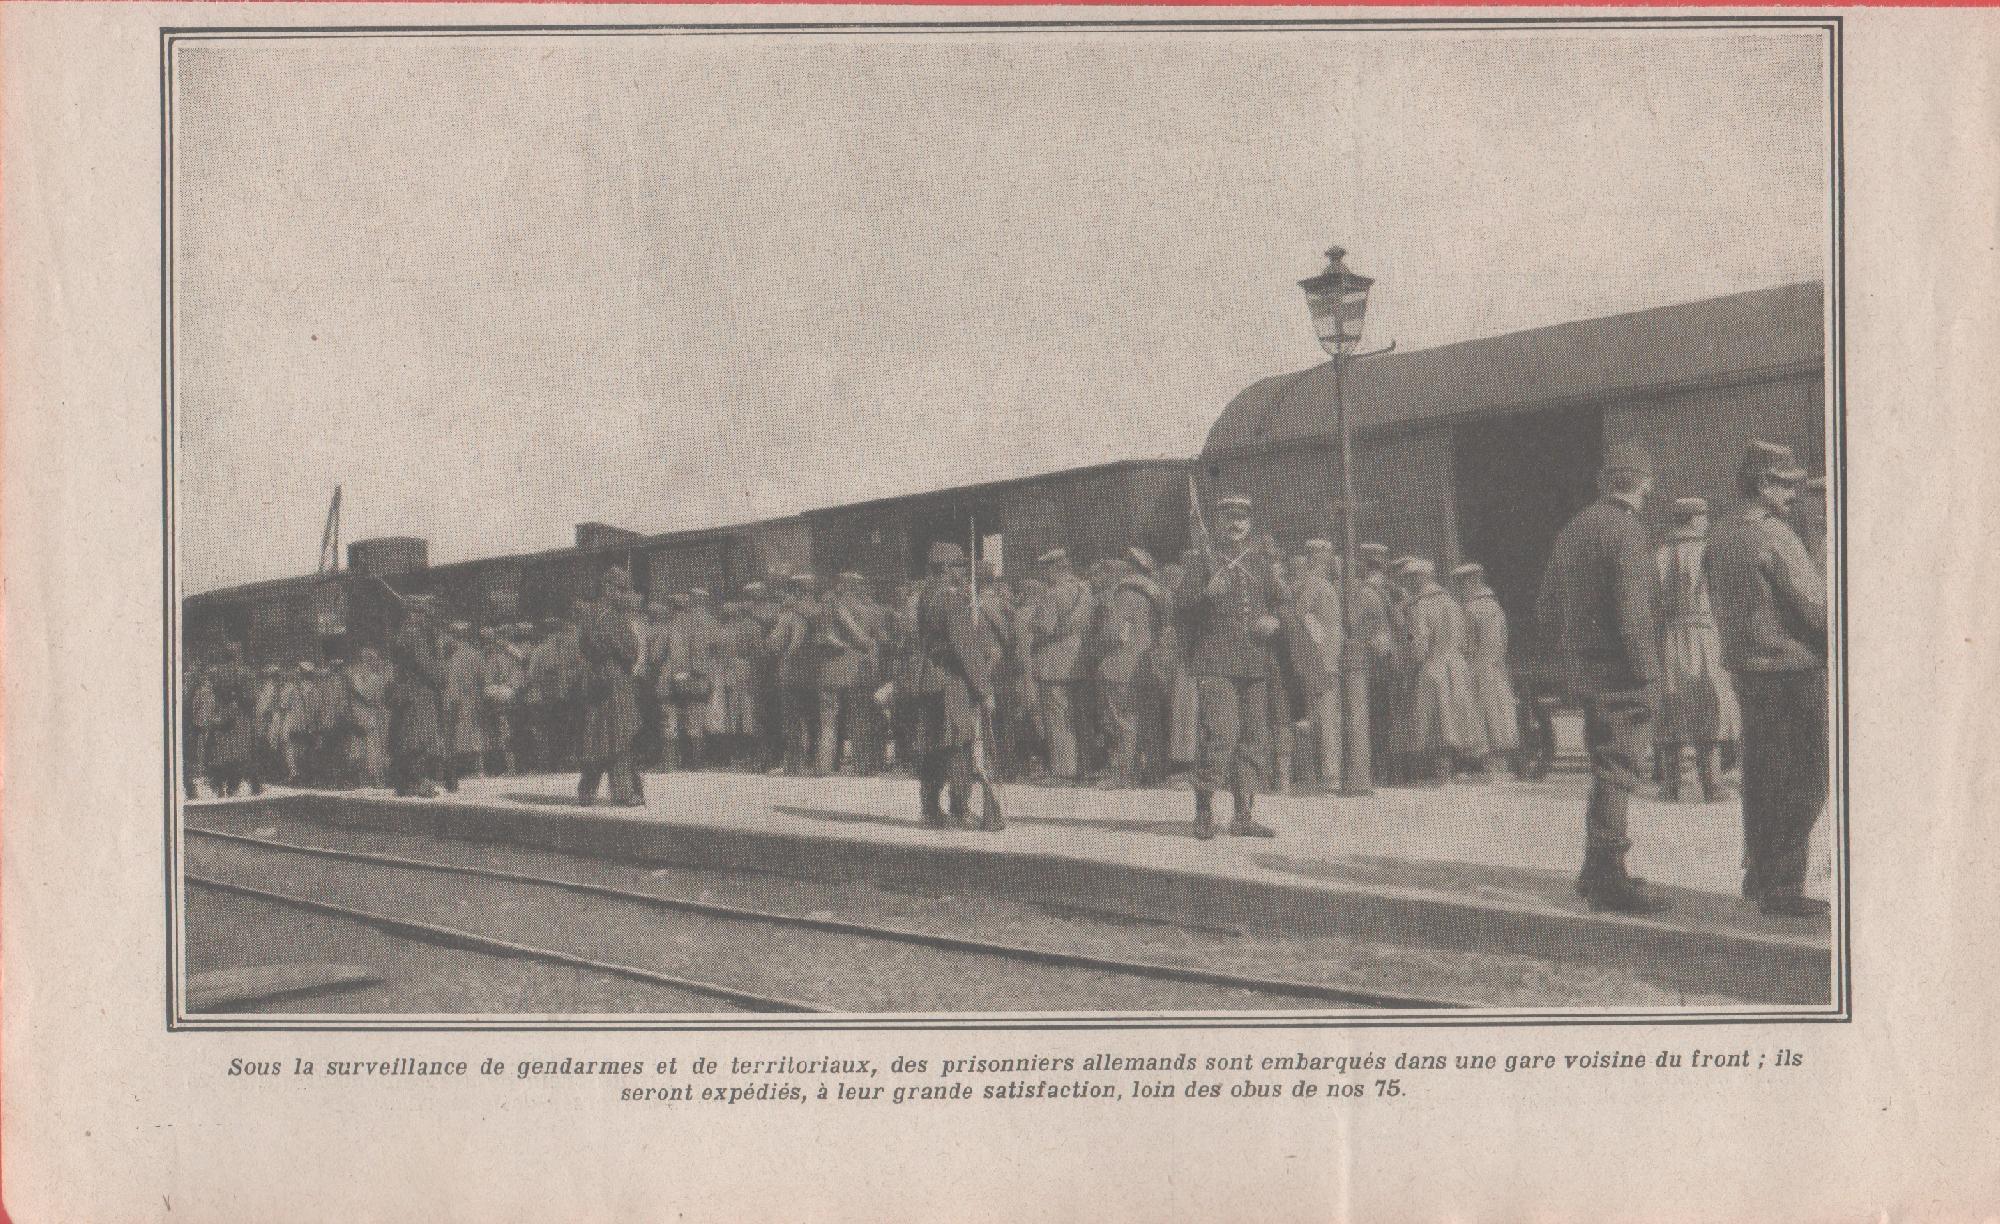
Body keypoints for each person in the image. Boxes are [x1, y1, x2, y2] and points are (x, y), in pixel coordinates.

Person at [1537, 444, 1669, 913]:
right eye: (1648, 482)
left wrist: (1570, 658)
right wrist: (1648, 675)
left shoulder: (1574, 528)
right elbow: (1634, 613)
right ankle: (1610, 878)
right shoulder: (1628, 531)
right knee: (1618, 769)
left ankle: (1594, 870)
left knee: (1603, 766)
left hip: (1587, 671)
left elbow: (1547, 605)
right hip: (1623, 671)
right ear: (1641, 483)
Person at [1706, 441, 1829, 918]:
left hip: (1746, 670)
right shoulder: (1776, 536)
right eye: (1786, 485)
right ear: (1762, 484)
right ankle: (1783, 885)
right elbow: (1816, 610)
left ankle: (1758, 875)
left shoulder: (1721, 535)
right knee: (1807, 776)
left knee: (1761, 775)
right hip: (1792, 670)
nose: (1795, 495)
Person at [1176, 495, 1287, 839]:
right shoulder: (1201, 560)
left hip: (1255, 662)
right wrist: (1205, 595)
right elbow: (1180, 610)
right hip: (1216, 662)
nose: (1236, 523)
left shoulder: (1260, 562)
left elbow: (1282, 602)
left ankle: (1243, 816)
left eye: (1242, 518)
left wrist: (1275, 619)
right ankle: (1204, 810)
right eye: (1229, 517)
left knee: (1253, 739)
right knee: (1221, 735)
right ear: (1217, 522)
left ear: (1250, 523)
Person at [906, 542, 1001, 831]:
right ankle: (960, 810)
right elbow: (966, 650)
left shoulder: (925, 596)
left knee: (932, 746)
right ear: (946, 568)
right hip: (951, 681)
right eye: (959, 566)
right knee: (959, 744)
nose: (962, 572)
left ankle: (930, 810)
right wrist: (984, 690)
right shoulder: (952, 599)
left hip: (927, 680)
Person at [1655, 497, 1741, 803]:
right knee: (1710, 701)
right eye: (1703, 517)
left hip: (1671, 635)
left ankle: (1671, 786)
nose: (1706, 522)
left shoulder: (1660, 554)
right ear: (1694, 519)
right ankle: (1712, 784)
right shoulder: (1709, 551)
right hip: (1705, 634)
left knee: (1672, 701)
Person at [1394, 558, 1484, 785]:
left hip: (1433, 667)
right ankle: (1459, 767)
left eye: (1410, 578)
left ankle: (1439, 770)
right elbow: (1464, 639)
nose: (1408, 583)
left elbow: (1418, 644)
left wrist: (1408, 656)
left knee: (1434, 720)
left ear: (1420, 578)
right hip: (1456, 665)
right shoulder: (1451, 602)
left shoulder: (1420, 606)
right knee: (1456, 716)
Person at [576, 566, 643, 806]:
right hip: (615, 681)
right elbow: (630, 651)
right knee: (620, 735)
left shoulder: (589, 614)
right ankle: (624, 792)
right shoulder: (614, 617)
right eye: (621, 589)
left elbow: (584, 646)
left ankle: (587, 791)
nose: (624, 594)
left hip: (595, 680)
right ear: (608, 588)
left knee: (597, 735)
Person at [1028, 548, 1094, 784]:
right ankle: (1084, 766)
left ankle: (1063, 771)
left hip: (1054, 663)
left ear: (1054, 569)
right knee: (1077, 717)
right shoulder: (1085, 590)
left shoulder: (1052, 594)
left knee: (1057, 719)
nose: (1044, 575)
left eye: (1045, 570)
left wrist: (1032, 628)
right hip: (1079, 661)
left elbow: (1043, 628)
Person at [1453, 562, 1520, 780]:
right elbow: (1502, 640)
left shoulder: (1471, 608)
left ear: (1472, 582)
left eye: (1463, 584)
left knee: (1481, 713)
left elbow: (1467, 643)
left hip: (1478, 667)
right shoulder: (1494, 607)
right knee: (1497, 712)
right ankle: (1498, 764)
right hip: (1495, 666)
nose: (1461, 588)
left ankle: (1488, 766)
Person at [1092, 557, 1155, 788]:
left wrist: (1098, 647)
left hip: (1121, 665)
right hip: (1146, 664)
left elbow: (1114, 632)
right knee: (1140, 719)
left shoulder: (1124, 596)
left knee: (1121, 720)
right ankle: (1142, 771)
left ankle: (1123, 774)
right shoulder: (1152, 594)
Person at [1292, 540, 1346, 793]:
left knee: (1326, 716)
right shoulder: (1315, 583)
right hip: (1322, 661)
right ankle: (1329, 775)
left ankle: (1327, 773)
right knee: (1325, 717)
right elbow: (1300, 614)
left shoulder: (1320, 583)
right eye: (1328, 555)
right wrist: (1319, 641)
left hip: (1326, 659)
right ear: (1320, 557)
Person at [386, 595, 449, 797]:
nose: (423, 617)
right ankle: (418, 782)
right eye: (421, 612)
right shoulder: (414, 636)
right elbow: (426, 666)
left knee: (408, 737)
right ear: (413, 614)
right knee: (421, 738)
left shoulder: (403, 634)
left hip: (407, 693)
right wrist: (441, 672)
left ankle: (407, 783)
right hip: (418, 693)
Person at [1353, 542, 1399, 785]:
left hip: (1382, 660)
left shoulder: (1380, 594)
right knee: (1377, 717)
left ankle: (1384, 770)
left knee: (1382, 716)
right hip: (1374, 662)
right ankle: (1379, 771)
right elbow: (1366, 630)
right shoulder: (1369, 594)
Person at [205, 643, 261, 797]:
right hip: (239, 716)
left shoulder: (214, 673)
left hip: (221, 714)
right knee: (240, 753)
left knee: (221, 752)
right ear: (236, 656)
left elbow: (210, 694)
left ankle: (220, 785)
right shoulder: (245, 673)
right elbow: (251, 699)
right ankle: (236, 785)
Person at [442, 622, 487, 790]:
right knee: (473, 733)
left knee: (458, 735)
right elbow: (483, 678)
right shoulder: (476, 655)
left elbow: (450, 683)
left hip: (458, 700)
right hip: (472, 698)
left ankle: (467, 771)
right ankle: (478, 769)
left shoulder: (453, 658)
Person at [345, 645, 391, 788]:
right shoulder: (358, 677)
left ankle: (373, 778)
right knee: (361, 747)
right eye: (369, 659)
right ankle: (364, 779)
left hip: (369, 715)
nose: (371, 662)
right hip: (360, 714)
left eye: (372, 659)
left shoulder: (374, 678)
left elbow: (377, 699)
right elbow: (354, 698)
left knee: (371, 747)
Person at [182, 660, 214, 800]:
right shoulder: (203, 691)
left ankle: (200, 773)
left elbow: (196, 706)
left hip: (198, 722)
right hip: (199, 723)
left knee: (200, 747)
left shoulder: (200, 691)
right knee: (199, 747)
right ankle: (199, 773)